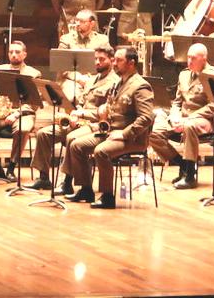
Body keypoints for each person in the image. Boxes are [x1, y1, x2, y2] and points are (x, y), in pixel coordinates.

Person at [65, 47, 154, 208]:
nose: (114, 63)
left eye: (118, 60)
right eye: (114, 60)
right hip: (111, 132)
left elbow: (146, 118)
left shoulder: (141, 86)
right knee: (76, 145)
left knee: (101, 151)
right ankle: (86, 189)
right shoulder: (119, 82)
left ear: (131, 63)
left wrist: (124, 134)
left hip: (132, 138)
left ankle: (107, 196)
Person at [27, 45, 118, 192]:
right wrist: (71, 114)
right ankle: (44, 177)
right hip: (79, 121)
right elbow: (81, 102)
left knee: (71, 138)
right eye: (95, 59)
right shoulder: (92, 79)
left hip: (95, 125)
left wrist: (81, 114)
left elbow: (107, 110)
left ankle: (67, 182)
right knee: (43, 133)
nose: (97, 62)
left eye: (101, 59)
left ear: (112, 60)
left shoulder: (114, 82)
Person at [149, 43, 214, 189]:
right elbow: (177, 102)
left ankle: (190, 176)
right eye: (188, 57)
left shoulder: (213, 75)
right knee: (153, 130)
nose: (189, 61)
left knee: (189, 126)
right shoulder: (184, 74)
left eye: (193, 58)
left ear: (204, 58)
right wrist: (175, 116)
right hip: (182, 117)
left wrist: (188, 119)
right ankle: (182, 164)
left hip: (205, 119)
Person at [0, 40, 40, 181]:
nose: (14, 55)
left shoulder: (33, 73)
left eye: (17, 52)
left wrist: (17, 113)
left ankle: (11, 166)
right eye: (11, 52)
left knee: (23, 129)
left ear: (24, 54)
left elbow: (34, 102)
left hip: (23, 113)